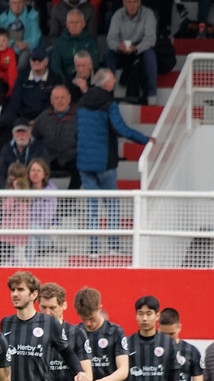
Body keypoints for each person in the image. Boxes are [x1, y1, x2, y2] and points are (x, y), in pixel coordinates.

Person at [76, 69, 151, 248]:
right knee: (112, 205)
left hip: (84, 162)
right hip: (105, 162)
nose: (115, 82)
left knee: (92, 206)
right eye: (112, 79)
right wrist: (146, 140)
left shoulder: (81, 102)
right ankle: (113, 247)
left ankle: (93, 248)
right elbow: (121, 129)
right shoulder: (109, 103)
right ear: (107, 83)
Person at [105, 0, 158, 105]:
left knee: (150, 55)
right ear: (124, 3)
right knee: (108, 54)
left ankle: (151, 94)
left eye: (135, 2)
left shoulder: (148, 14)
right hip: (122, 49)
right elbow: (111, 38)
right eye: (129, 2)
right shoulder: (117, 15)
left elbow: (150, 39)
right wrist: (118, 46)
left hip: (140, 49)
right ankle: (107, 93)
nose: (132, 5)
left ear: (139, 2)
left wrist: (137, 48)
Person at [8, 47, 60, 122]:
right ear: (30, 61)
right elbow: (15, 101)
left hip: (46, 120)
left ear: (46, 62)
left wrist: (38, 120)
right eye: (34, 59)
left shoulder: (55, 79)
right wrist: (24, 120)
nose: (36, 62)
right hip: (23, 119)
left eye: (40, 60)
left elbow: (53, 104)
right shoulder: (22, 77)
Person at [50, 9, 99, 83]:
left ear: (83, 24)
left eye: (77, 22)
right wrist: (64, 82)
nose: (74, 25)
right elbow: (55, 66)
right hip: (64, 80)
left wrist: (83, 79)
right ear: (67, 25)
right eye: (71, 22)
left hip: (86, 80)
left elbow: (94, 64)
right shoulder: (59, 42)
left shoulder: (91, 42)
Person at [0, 120, 47, 186]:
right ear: (13, 134)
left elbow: (44, 171)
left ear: (30, 133)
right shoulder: (6, 149)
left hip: (32, 186)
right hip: (11, 187)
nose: (21, 135)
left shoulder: (40, 148)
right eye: (18, 132)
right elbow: (1, 173)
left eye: (24, 132)